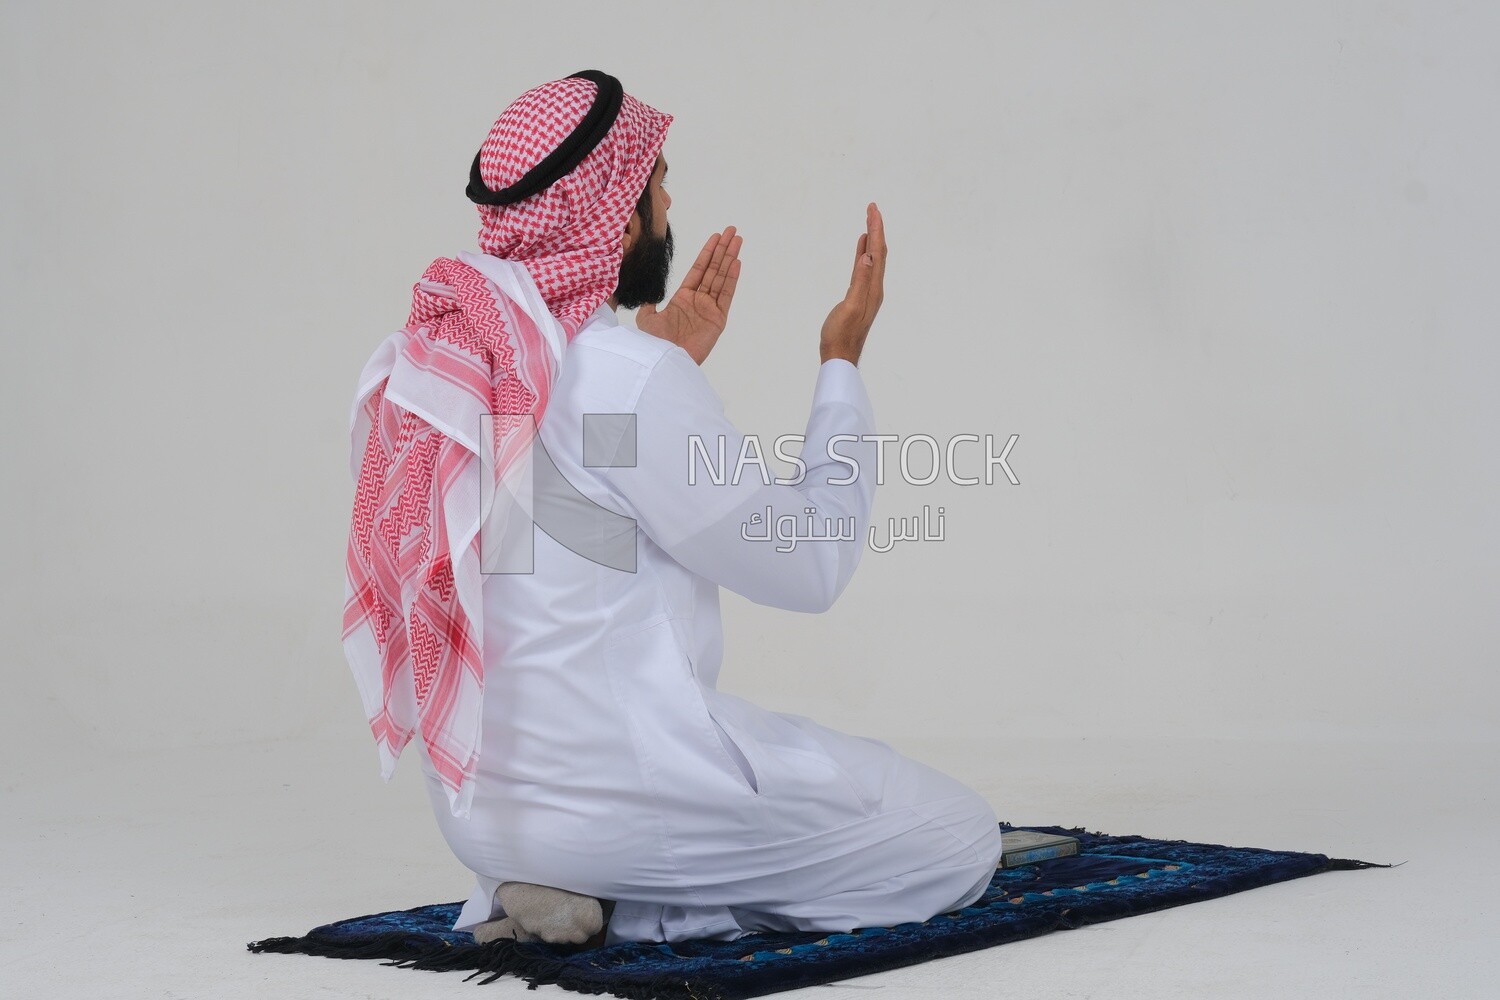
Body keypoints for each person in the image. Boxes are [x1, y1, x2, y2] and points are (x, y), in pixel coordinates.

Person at [342, 71, 1002, 950]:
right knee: (956, 841)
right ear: (615, 216)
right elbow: (806, 564)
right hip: (627, 804)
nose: (666, 199)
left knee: (794, 772)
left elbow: (574, 494)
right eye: (654, 180)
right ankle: (648, 904)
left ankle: (564, 892)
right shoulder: (624, 381)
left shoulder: (448, 364)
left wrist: (669, 370)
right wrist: (840, 365)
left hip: (479, 816)